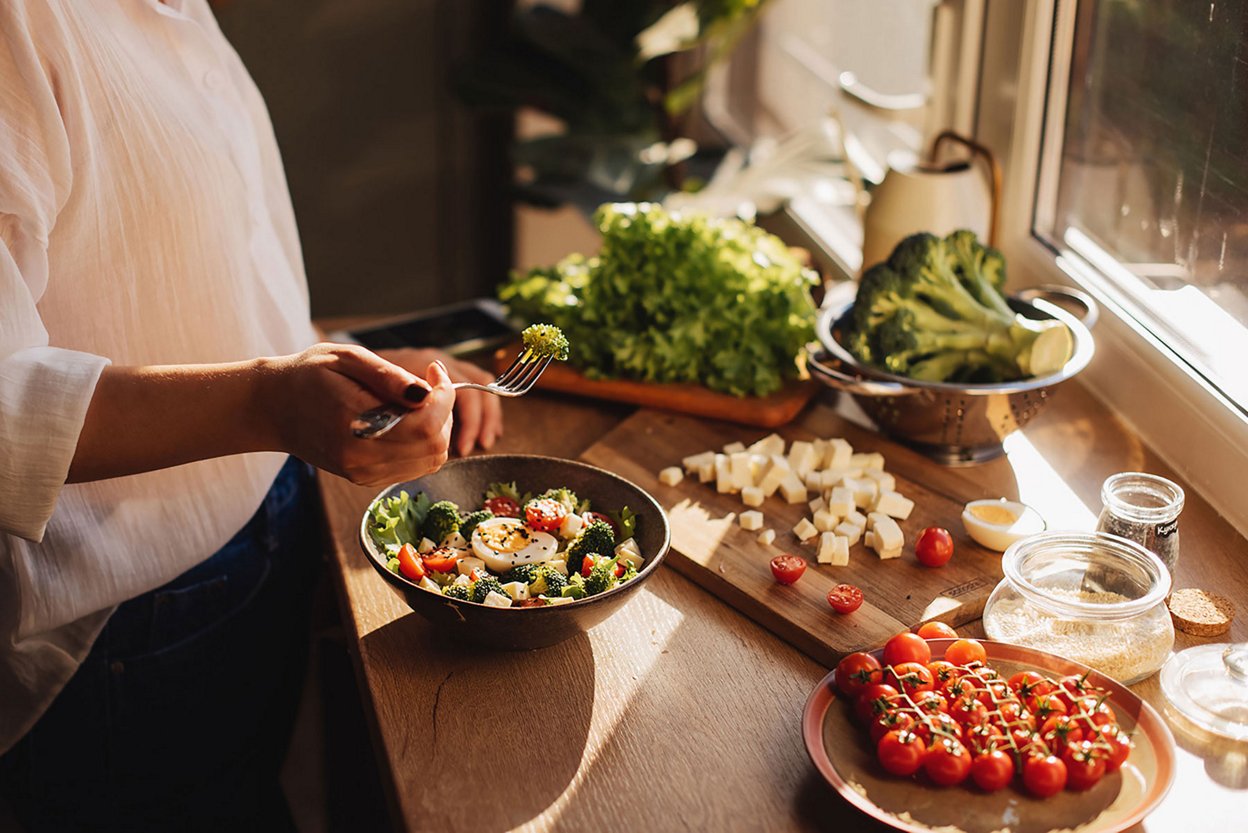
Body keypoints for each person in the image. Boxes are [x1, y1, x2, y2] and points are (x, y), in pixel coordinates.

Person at [0, 1, 502, 829]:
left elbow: (204, 258)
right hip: (129, 621)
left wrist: (348, 361)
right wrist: (269, 399)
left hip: (269, 525)